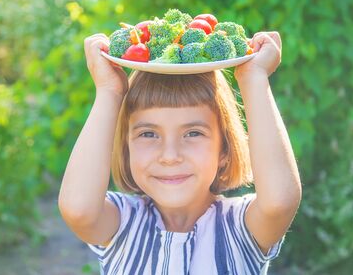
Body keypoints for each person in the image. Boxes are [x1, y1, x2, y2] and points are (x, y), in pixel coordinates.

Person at [58, 31, 302, 275]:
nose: (170, 155)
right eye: (149, 134)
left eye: (193, 133)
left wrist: (254, 79)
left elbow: (279, 202)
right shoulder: (123, 222)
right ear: (126, 148)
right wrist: (108, 91)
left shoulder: (240, 226)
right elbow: (78, 209)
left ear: (225, 149)